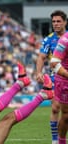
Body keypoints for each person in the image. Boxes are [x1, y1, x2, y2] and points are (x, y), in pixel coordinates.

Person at [36, 10, 67, 144]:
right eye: (53, 21)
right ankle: (56, 139)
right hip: (57, 77)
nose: (56, 24)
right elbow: (42, 57)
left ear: (65, 22)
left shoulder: (67, 37)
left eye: (58, 21)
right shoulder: (49, 39)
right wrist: (38, 72)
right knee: (55, 108)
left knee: (65, 113)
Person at [50, 32, 68, 144]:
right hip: (65, 81)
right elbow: (54, 63)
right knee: (66, 115)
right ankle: (61, 142)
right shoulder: (65, 40)